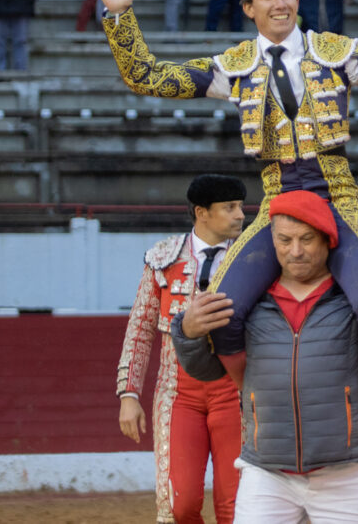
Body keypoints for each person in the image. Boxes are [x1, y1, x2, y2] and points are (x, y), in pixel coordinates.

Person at [96, 0, 358, 383]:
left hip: (339, 197)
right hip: (278, 202)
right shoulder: (234, 68)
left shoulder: (336, 53)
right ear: (248, 7)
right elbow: (146, 77)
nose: (281, 4)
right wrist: (120, 15)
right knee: (221, 313)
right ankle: (248, 397)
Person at [171, 189, 358, 521]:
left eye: (306, 239)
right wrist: (189, 334)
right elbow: (207, 371)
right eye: (284, 240)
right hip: (267, 470)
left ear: (327, 240)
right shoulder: (247, 297)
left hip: (352, 471)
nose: (295, 251)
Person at [116, 174, 244, 524]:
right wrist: (129, 394)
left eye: (240, 207)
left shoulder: (252, 259)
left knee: (235, 506)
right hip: (178, 394)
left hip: (236, 392)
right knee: (178, 506)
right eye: (230, 208)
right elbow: (140, 328)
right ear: (202, 213)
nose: (240, 215)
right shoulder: (163, 259)